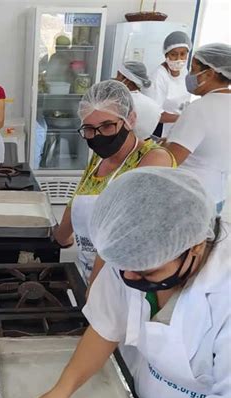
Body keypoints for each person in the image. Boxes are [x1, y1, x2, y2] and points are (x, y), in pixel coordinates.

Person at [27, 167, 230, 398]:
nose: (130, 276)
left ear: (194, 247)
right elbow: (106, 325)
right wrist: (61, 391)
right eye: (124, 266)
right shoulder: (136, 258)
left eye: (147, 270)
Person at [54, 80, 175, 282]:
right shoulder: (99, 158)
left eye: (108, 126)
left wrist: (95, 289)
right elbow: (76, 201)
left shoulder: (154, 160)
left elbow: (131, 232)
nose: (98, 136)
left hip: (127, 280)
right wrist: (60, 238)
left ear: (131, 119)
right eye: (89, 129)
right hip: (88, 269)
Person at [164, 43, 231, 214]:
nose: (190, 75)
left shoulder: (199, 109)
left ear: (209, 73)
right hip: (217, 195)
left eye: (193, 70)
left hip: (188, 198)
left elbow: (171, 160)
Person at [144, 31, 191, 137]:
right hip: (160, 129)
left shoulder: (184, 71)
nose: (179, 59)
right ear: (166, 55)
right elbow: (154, 113)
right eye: (174, 54)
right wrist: (182, 118)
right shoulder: (158, 77)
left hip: (177, 126)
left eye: (183, 54)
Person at [115, 61, 161, 140]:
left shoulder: (120, 103)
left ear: (128, 79)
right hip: (143, 146)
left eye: (118, 75)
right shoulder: (154, 106)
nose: (116, 79)